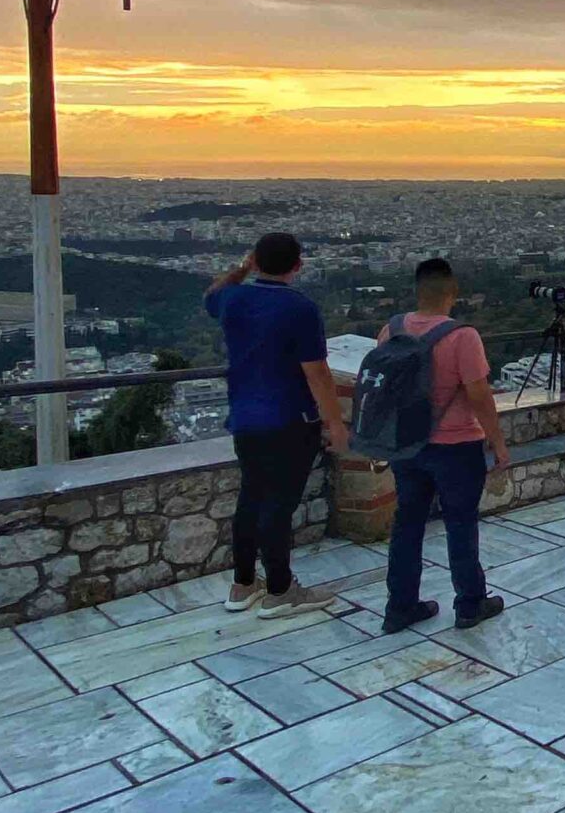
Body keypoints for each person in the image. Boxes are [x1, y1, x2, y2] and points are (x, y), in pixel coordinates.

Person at [204, 232, 351, 617]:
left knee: (250, 499)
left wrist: (241, 268)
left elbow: (212, 293)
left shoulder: (233, 299)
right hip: (289, 419)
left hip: (245, 417)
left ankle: (243, 583)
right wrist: (335, 423)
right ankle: (281, 589)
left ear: (255, 260)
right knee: (278, 506)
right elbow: (317, 372)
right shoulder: (299, 309)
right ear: (298, 265)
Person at [375, 258, 510, 630]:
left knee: (407, 524)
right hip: (457, 444)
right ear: (452, 293)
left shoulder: (391, 330)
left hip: (407, 444)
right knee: (460, 525)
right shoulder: (462, 336)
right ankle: (470, 603)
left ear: (418, 291)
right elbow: (479, 395)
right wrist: (498, 443)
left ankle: (399, 607)